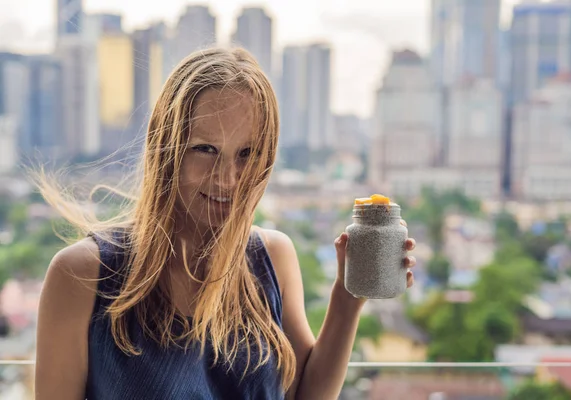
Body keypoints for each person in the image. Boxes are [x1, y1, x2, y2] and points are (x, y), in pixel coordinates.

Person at [34, 47, 417, 400]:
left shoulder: (272, 255)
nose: (227, 178)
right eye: (205, 149)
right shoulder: (82, 275)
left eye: (247, 153)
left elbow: (308, 395)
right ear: (164, 147)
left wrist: (348, 297)